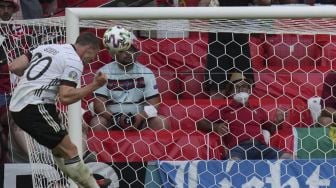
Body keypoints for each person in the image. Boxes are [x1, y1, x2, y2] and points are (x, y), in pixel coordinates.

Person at [8, 32, 111, 188]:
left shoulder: (47, 47)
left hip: (18, 104)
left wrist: (31, 80)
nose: (93, 59)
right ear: (89, 48)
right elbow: (65, 97)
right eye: (95, 54)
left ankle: (85, 181)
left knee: (61, 151)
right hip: (35, 105)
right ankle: (91, 184)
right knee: (70, 150)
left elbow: (14, 66)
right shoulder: (74, 61)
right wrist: (95, 85)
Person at [196, 71, 293, 160]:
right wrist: (216, 127)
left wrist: (277, 122)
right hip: (238, 149)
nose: (242, 89)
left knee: (289, 158)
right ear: (231, 92)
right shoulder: (225, 109)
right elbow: (200, 123)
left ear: (249, 91)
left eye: (245, 87)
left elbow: (270, 130)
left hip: (261, 148)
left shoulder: (257, 109)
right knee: (233, 163)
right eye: (238, 87)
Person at [89, 33, 169, 132]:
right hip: (111, 118)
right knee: (97, 123)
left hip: (140, 119)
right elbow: (99, 105)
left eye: (131, 49)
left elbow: (155, 104)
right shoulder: (103, 72)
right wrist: (116, 118)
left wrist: (139, 117)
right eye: (123, 50)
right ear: (115, 53)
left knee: (161, 121)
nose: (128, 53)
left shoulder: (146, 72)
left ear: (137, 52)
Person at [198, 0, 271, 98]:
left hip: (239, 42)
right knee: (217, 92)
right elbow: (200, 10)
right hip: (217, 43)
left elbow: (266, 2)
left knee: (242, 94)